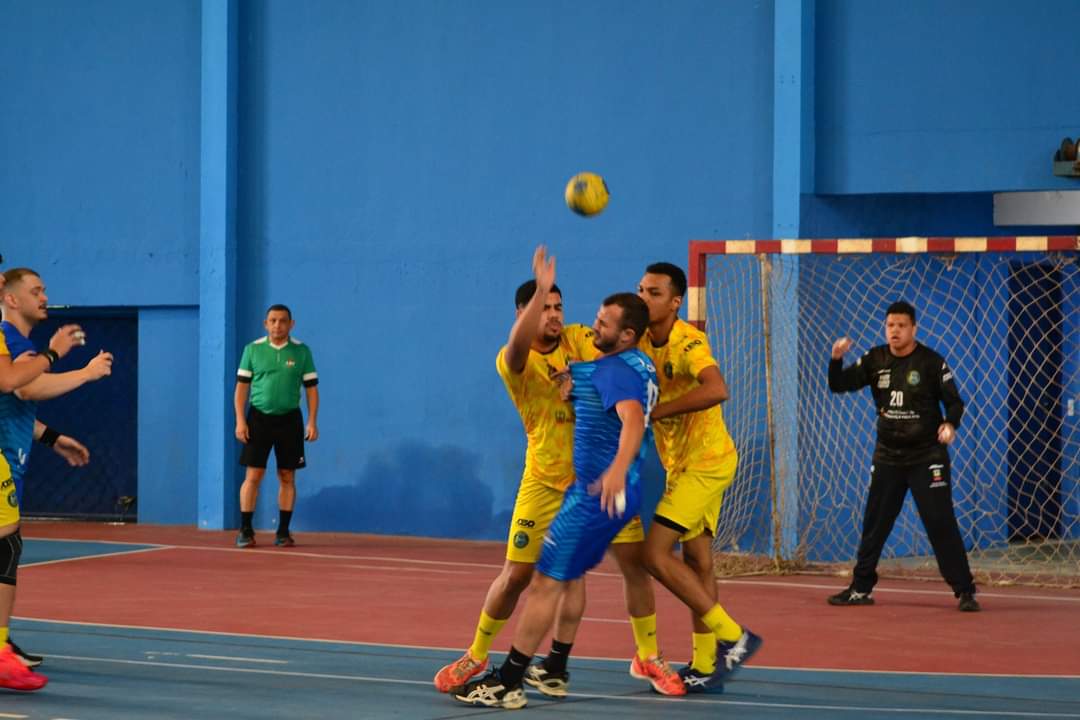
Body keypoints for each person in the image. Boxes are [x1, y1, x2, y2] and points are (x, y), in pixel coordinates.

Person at [434, 248, 683, 700]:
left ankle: (639, 656)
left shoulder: (581, 339)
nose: (553, 314)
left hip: (597, 483)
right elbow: (516, 347)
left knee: (629, 567)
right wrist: (540, 291)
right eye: (543, 307)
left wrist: (586, 382)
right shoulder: (514, 360)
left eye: (557, 306)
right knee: (516, 577)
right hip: (544, 481)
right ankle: (477, 654)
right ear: (523, 314)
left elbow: (619, 353)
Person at [636, 262, 761, 692]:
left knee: (653, 554)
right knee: (698, 561)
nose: (643, 298)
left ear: (675, 302)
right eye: (641, 290)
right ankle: (706, 665)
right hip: (680, 464)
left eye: (654, 293)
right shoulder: (638, 340)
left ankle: (734, 636)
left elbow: (716, 389)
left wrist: (657, 413)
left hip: (707, 462)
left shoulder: (689, 341)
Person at [826, 300, 978, 611]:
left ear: (913, 329)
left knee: (940, 522)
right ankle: (860, 588)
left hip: (927, 456)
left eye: (901, 326)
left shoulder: (931, 362)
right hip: (888, 457)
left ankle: (965, 591)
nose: (895, 331)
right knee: (875, 523)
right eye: (890, 325)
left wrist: (950, 424)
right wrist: (836, 359)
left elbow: (955, 403)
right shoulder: (875, 359)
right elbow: (838, 385)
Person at [0, 268, 112, 671]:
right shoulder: (11, 340)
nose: (44, 297)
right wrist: (84, 372)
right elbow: (25, 387)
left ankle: (2, 643)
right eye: (36, 291)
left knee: (7, 548)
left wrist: (52, 438)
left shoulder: (17, 342)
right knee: (6, 548)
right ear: (12, 299)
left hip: (10, 462)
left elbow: (15, 403)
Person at [234, 304, 319, 548]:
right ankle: (245, 530)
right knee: (254, 475)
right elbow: (241, 389)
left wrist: (312, 421)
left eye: (282, 321)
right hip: (258, 420)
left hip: (290, 421)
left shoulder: (302, 351)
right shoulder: (252, 350)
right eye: (272, 320)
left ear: (291, 324)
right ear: (265, 324)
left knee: (287, 475)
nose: (277, 325)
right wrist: (240, 420)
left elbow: (311, 390)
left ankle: (283, 532)